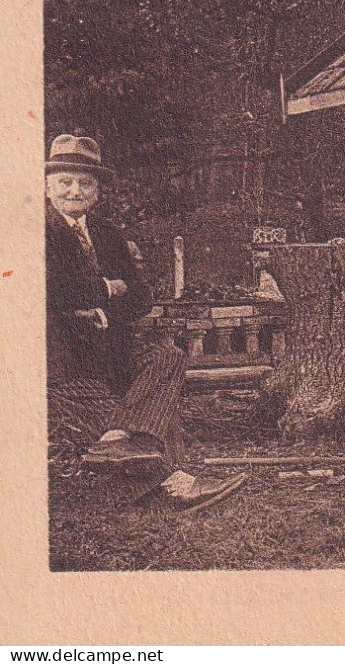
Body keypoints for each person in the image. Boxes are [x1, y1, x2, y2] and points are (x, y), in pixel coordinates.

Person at [45, 134, 245, 513]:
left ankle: (119, 438)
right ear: (48, 186)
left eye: (85, 182)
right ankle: (176, 485)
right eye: (65, 182)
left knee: (167, 357)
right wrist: (105, 287)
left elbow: (140, 297)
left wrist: (100, 309)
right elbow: (45, 291)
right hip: (63, 361)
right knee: (137, 412)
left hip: (112, 352)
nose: (75, 191)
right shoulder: (31, 232)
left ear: (97, 189)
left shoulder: (107, 235)